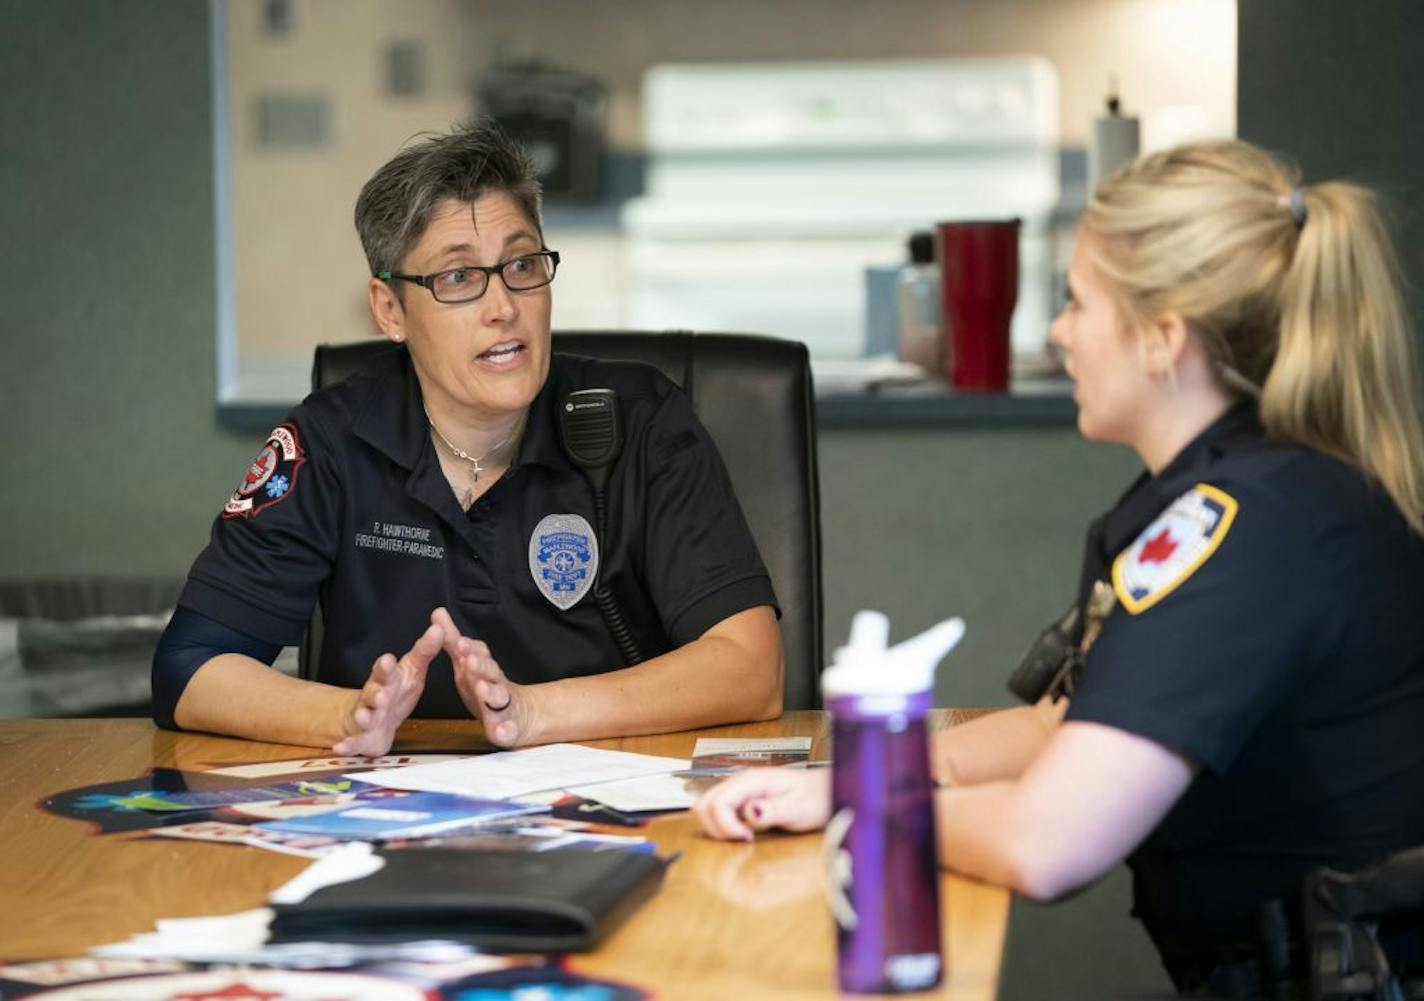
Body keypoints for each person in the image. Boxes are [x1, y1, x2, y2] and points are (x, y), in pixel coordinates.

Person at [695, 139, 1424, 994]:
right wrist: (849, 784)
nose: (1056, 332)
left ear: (1162, 338)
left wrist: (866, 813)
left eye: (1077, 303)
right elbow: (1059, 725)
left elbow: (1047, 844)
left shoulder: (1250, 527)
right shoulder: (1254, 489)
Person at [152, 122, 783, 756]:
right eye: (457, 278)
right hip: (390, 819)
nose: (503, 305)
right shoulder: (330, 440)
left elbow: (751, 668)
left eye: (521, 264)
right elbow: (190, 665)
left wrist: (534, 713)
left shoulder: (642, 421)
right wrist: (344, 717)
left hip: (617, 804)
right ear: (390, 310)